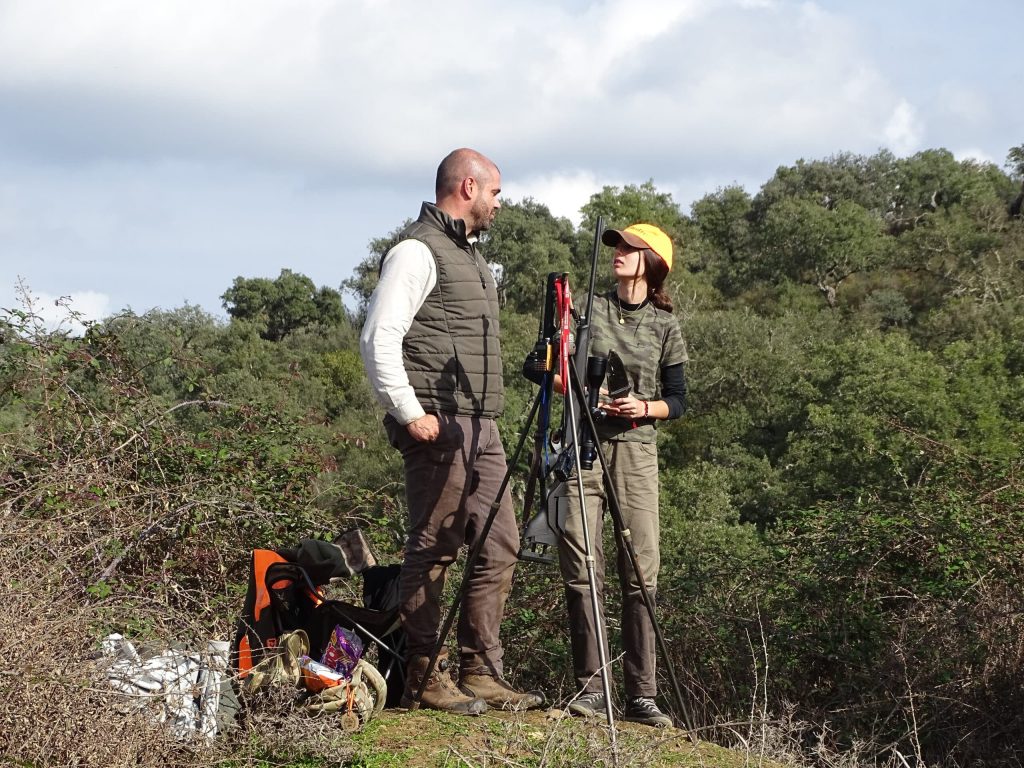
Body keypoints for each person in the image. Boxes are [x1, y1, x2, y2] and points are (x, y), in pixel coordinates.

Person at [359, 148, 544, 715]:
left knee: (501, 542)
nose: (497, 204)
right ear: (468, 187)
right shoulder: (416, 251)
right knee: (433, 545)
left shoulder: (471, 260)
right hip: (437, 423)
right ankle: (424, 674)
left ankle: (481, 672)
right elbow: (377, 338)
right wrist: (410, 411)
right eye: (494, 193)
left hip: (482, 424)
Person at [552, 223, 688, 727]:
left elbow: (679, 400)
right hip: (582, 444)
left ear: (651, 263)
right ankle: (589, 690)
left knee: (640, 570)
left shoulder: (666, 326)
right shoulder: (589, 310)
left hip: (636, 453)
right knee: (581, 563)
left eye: (630, 248)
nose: (619, 254)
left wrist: (644, 406)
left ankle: (642, 696)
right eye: (617, 247)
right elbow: (560, 372)